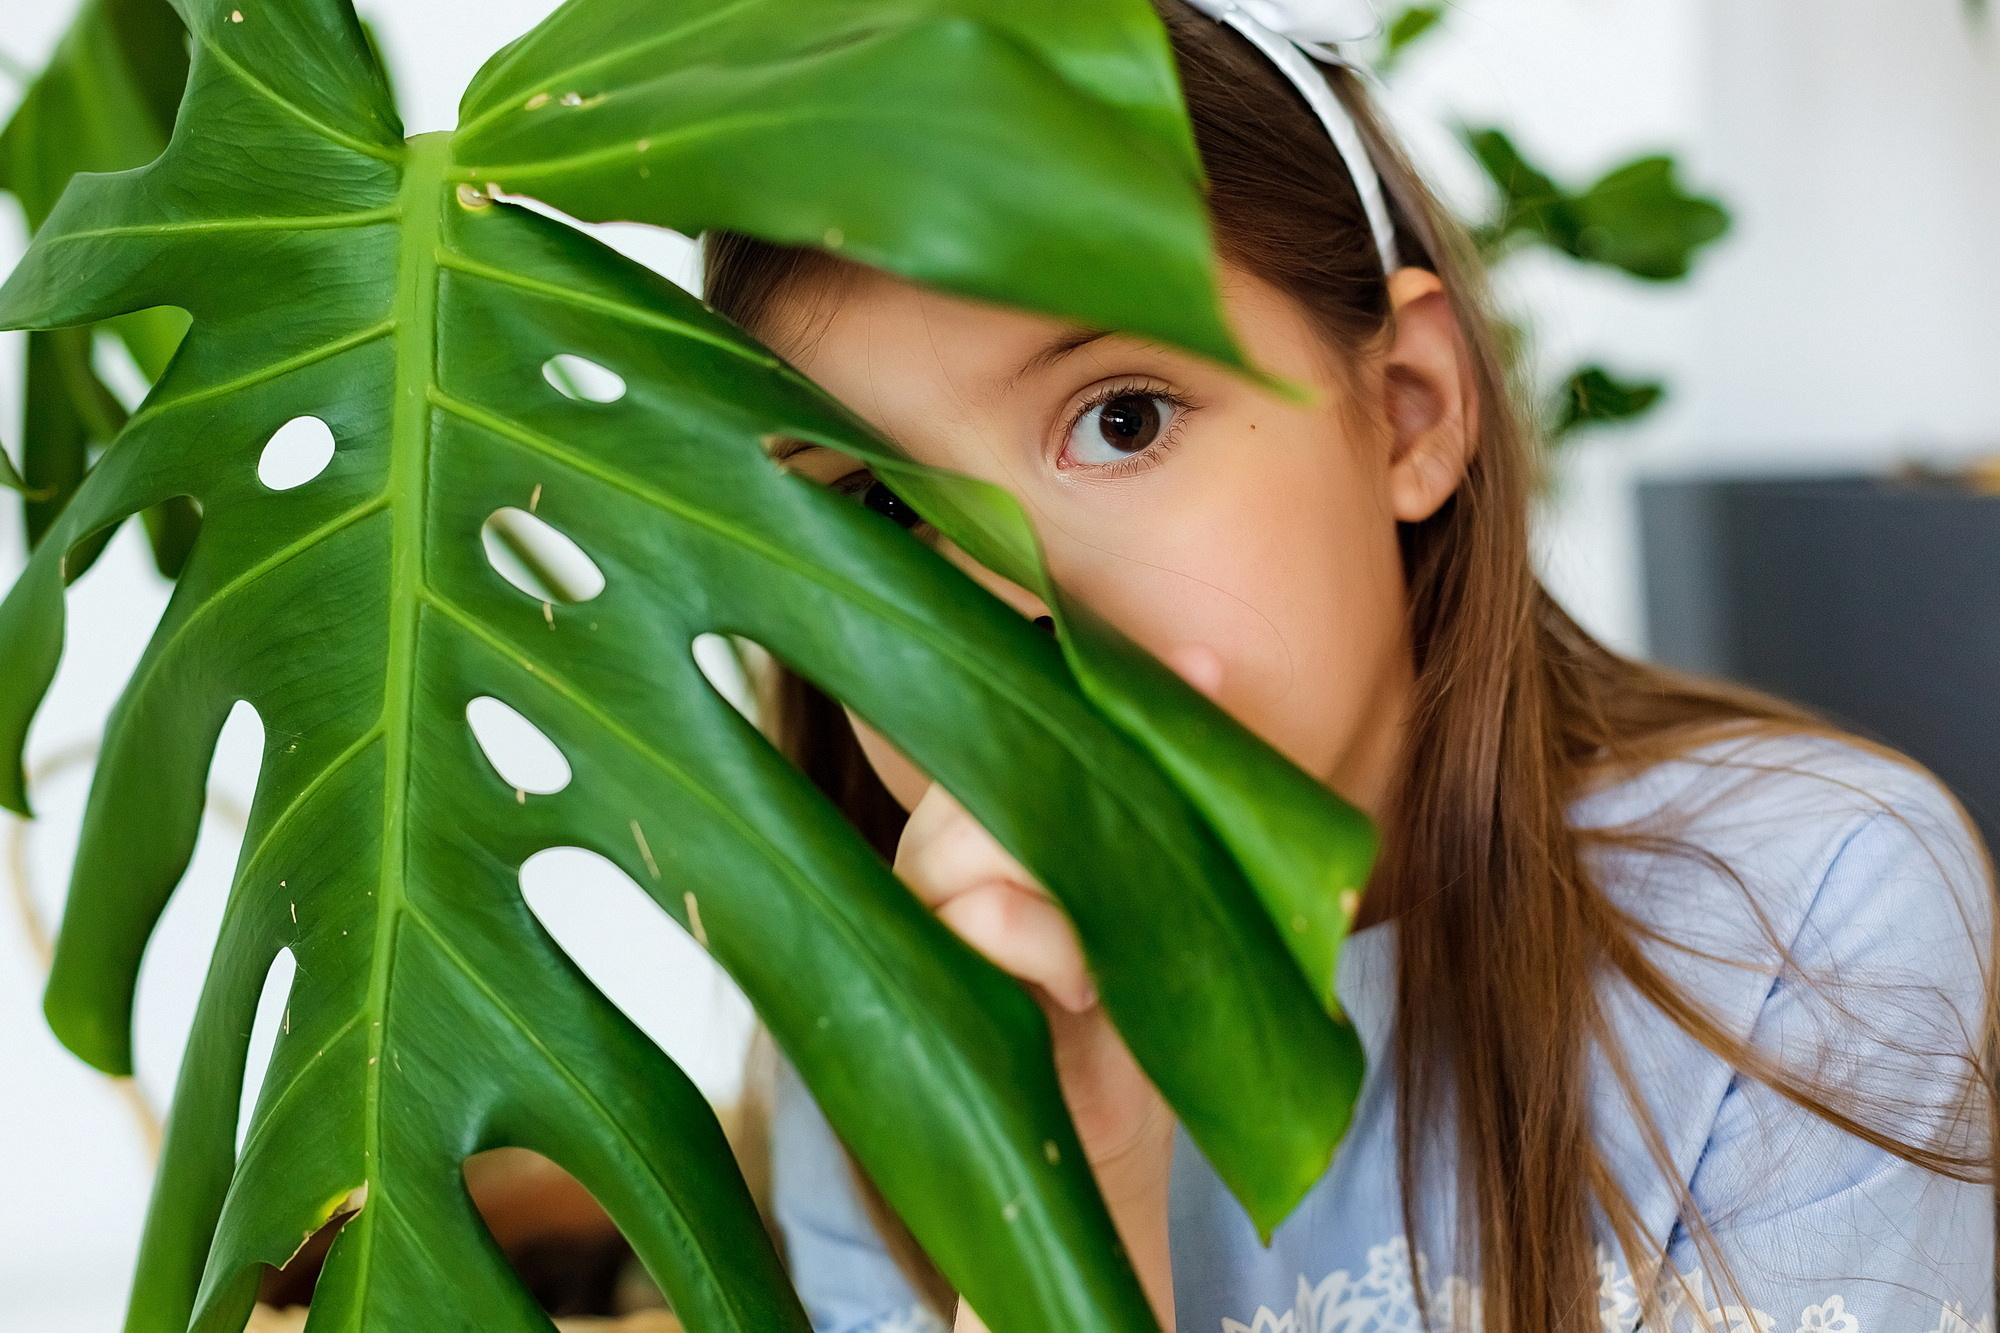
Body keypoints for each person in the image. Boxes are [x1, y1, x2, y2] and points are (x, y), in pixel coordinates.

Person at [702, 2, 1998, 1329]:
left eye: (1123, 421)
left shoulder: (1794, 922)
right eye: (878, 507)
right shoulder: (868, 1036)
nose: (1009, 599)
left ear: (1407, 409)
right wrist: (1063, 1180)